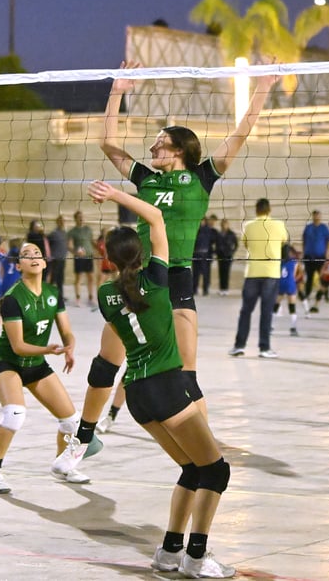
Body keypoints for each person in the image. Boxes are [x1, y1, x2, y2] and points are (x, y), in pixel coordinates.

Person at [80, 61, 277, 456]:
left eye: (159, 142)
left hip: (176, 277)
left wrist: (263, 86)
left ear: (180, 149)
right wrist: (117, 90)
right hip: (136, 277)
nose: (152, 147)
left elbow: (241, 132)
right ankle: (84, 437)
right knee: (108, 360)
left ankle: (207, 448)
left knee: (186, 372)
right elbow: (108, 142)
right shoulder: (145, 179)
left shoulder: (204, 175)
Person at [86, 179, 235, 577]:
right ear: (143, 252)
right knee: (216, 470)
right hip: (167, 388)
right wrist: (117, 194)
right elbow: (155, 218)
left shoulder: (104, 295)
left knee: (191, 467)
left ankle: (170, 552)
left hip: (136, 394)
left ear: (109, 259)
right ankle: (197, 557)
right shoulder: (158, 279)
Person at [0, 241, 88, 493]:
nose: (33, 257)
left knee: (72, 422)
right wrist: (48, 350)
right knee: (15, 415)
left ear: (43, 262)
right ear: (19, 265)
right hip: (7, 363)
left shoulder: (53, 293)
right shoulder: (12, 298)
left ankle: (63, 465)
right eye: (26, 255)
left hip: (36, 365)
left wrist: (69, 347)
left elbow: (66, 331)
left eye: (37, 254)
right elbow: (18, 345)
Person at [228, 198, 288, 358]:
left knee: (246, 311)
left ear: (256, 210)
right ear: (269, 210)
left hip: (252, 272)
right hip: (271, 273)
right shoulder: (279, 225)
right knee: (266, 312)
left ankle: (239, 346)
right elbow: (283, 242)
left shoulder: (248, 226)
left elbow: (246, 245)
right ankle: (264, 348)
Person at [302, 210, 329, 310]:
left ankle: (326, 295)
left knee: (323, 277)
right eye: (315, 215)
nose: (317, 217)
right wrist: (303, 252)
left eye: (318, 215)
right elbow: (303, 240)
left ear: (320, 216)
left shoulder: (324, 228)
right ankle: (306, 295)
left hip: (320, 256)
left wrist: (328, 252)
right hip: (309, 256)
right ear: (313, 216)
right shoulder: (308, 227)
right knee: (309, 277)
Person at [67, 210, 96, 307]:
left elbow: (92, 242)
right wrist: (76, 252)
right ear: (75, 219)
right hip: (79, 258)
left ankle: (91, 298)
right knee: (78, 278)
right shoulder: (73, 231)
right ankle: (78, 298)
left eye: (82, 217)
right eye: (79, 217)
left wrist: (100, 250)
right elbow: (69, 246)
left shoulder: (88, 229)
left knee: (91, 277)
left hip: (89, 256)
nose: (81, 218)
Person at [274, 243, 302, 336]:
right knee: (292, 307)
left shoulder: (278, 261)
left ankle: (271, 326)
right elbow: (294, 274)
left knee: (275, 306)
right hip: (290, 283)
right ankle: (293, 328)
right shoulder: (294, 261)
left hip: (280, 283)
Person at [192, 215, 218, 297]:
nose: (201, 222)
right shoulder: (195, 230)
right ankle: (194, 289)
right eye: (200, 220)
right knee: (195, 274)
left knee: (206, 274)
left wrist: (213, 253)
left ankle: (205, 290)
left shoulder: (209, 230)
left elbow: (214, 242)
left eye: (203, 220)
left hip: (205, 255)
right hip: (196, 254)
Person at [47, 214, 68, 301]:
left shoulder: (65, 233)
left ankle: (60, 296)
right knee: (53, 279)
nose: (62, 222)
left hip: (62, 259)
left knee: (60, 279)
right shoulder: (53, 234)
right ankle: (48, 295)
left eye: (63, 221)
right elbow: (47, 245)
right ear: (57, 222)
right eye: (60, 221)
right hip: (55, 259)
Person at [215, 218, 238, 296]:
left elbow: (236, 244)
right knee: (221, 272)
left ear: (228, 225)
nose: (224, 225)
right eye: (223, 224)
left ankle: (226, 289)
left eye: (225, 224)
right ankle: (221, 289)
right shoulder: (219, 233)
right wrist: (217, 251)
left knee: (226, 272)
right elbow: (216, 244)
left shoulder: (231, 234)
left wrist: (232, 252)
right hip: (220, 256)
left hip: (228, 256)